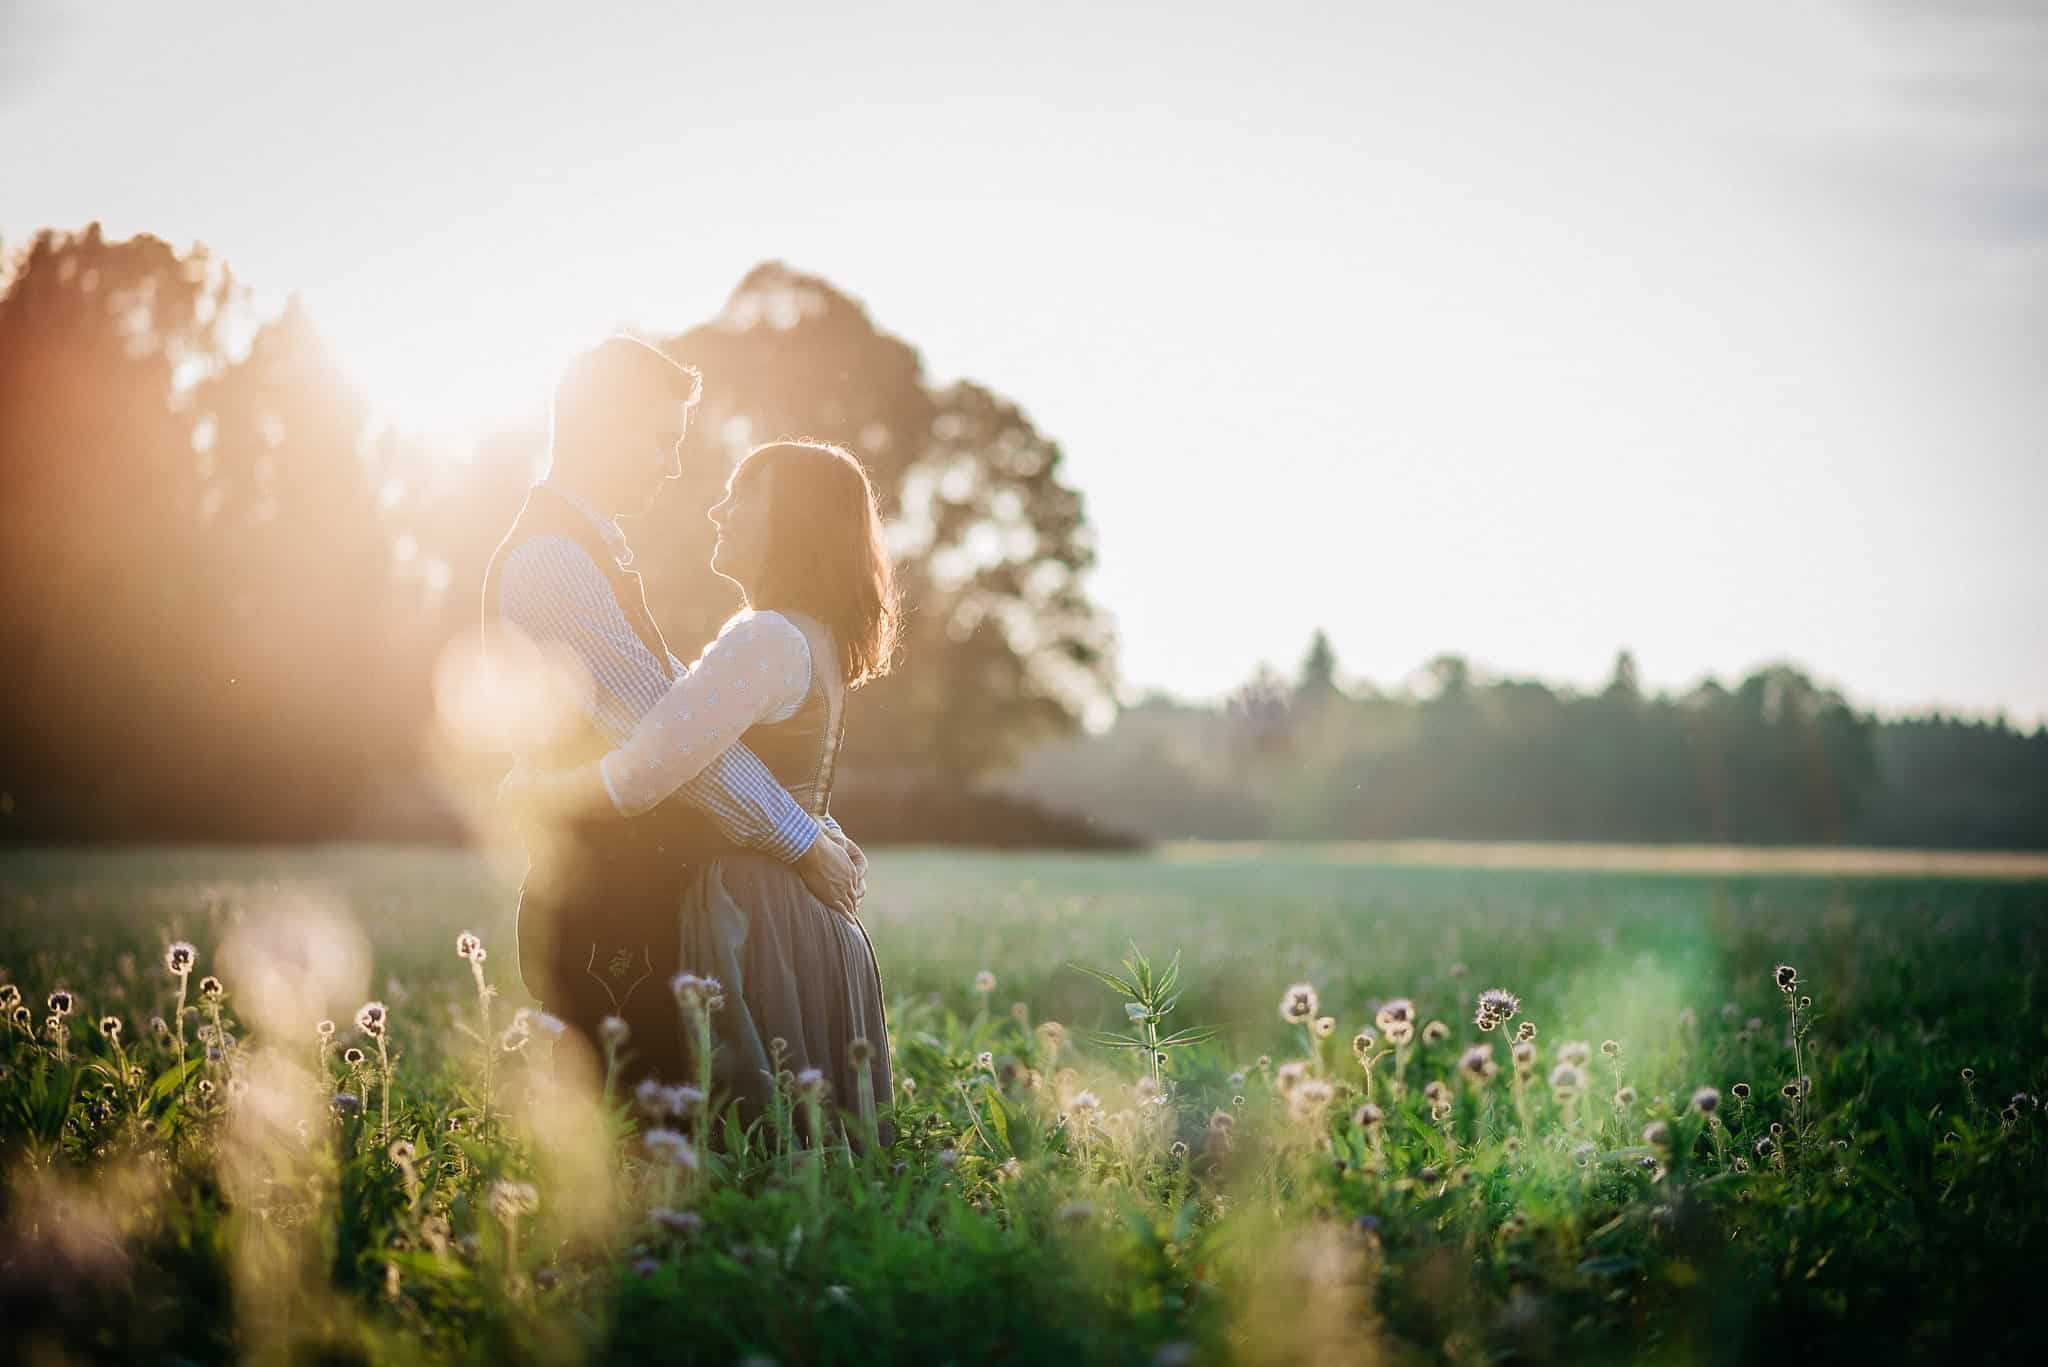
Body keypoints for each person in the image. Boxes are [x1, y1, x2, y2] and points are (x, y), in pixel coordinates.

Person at [482, 337, 863, 1086]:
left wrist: (810, 828)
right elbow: (661, 738)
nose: (673, 463)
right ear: (605, 425)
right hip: (601, 897)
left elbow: (684, 725)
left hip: (636, 895)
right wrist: (802, 838)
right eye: (662, 439)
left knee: (669, 1126)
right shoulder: (553, 560)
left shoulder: (590, 549)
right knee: (636, 1130)